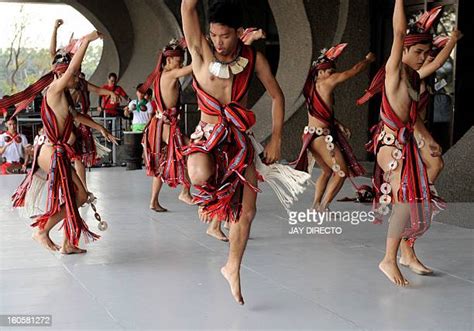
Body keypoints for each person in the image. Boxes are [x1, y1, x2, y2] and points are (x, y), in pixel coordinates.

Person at [181, 0, 286, 304]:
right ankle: (210, 201)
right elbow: (188, 8)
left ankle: (232, 267)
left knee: (248, 213)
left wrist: (277, 138)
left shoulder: (254, 59)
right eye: (214, 35)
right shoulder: (200, 52)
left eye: (225, 36)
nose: (218, 42)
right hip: (206, 137)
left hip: (239, 141)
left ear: (240, 33)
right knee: (200, 173)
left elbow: (278, 96)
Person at [0, 31, 118, 254]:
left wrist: (100, 127)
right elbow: (72, 70)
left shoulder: (62, 95)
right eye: (74, 76)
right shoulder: (54, 90)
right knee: (79, 195)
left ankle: (67, 243)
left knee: (76, 196)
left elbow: (75, 115)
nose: (77, 79)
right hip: (50, 151)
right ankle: (42, 231)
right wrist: (86, 41)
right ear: (63, 74)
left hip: (54, 150)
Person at [358, 2, 444, 286]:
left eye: (426, 52)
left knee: (434, 167)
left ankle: (407, 247)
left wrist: (427, 139)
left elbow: (435, 66)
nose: (423, 57)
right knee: (406, 201)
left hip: (407, 141)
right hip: (390, 144)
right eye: (418, 52)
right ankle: (389, 258)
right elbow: (397, 31)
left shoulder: (414, 77)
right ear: (403, 51)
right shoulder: (394, 69)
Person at [292, 44, 375, 211]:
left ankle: (316, 205)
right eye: (329, 71)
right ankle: (323, 206)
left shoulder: (313, 89)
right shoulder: (326, 82)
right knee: (341, 172)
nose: (333, 74)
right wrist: (367, 61)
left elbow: (322, 114)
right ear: (320, 73)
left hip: (311, 136)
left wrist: (339, 124)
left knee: (327, 171)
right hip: (321, 138)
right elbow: (352, 71)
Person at [139, 39, 194, 212]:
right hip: (165, 125)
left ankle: (153, 202)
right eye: (179, 60)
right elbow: (193, 68)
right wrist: (202, 50)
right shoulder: (170, 74)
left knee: (160, 165)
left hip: (158, 124)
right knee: (189, 150)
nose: (182, 63)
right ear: (168, 60)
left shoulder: (160, 74)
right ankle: (185, 191)